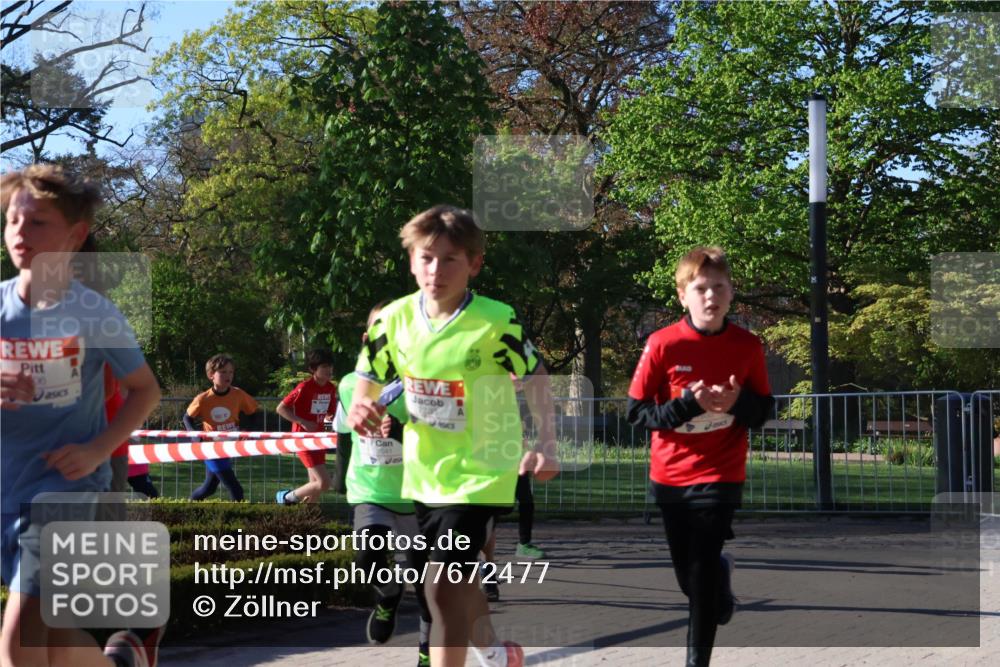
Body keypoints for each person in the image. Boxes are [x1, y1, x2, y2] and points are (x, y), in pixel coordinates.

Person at [347, 205, 559, 667]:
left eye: (449, 260)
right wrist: (363, 404)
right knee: (456, 584)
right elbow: (369, 374)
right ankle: (497, 653)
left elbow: (536, 375)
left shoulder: (496, 320)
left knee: (441, 587)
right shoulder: (393, 320)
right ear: (411, 261)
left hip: (483, 474)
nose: (435, 270)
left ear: (474, 264)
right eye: (426, 258)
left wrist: (546, 444)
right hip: (427, 475)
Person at [0, 164, 164, 667]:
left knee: (17, 644)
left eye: (37, 222)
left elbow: (145, 390)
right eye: (13, 220)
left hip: (65, 490)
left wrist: (97, 450)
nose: (20, 233)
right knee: (53, 641)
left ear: (75, 235)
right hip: (6, 487)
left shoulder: (94, 313)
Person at [626, 246, 774, 667]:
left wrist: (736, 403)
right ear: (682, 296)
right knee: (690, 578)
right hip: (672, 476)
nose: (711, 296)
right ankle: (719, 585)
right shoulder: (662, 344)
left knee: (701, 572)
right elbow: (637, 413)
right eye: (701, 288)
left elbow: (764, 410)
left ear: (731, 293)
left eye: (720, 288)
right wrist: (688, 406)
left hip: (721, 474)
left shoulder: (747, 346)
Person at [334, 303, 433, 666]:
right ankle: (389, 593)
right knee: (367, 558)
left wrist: (403, 431)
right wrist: (338, 475)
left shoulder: (424, 385)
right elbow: (342, 431)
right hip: (370, 490)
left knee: (425, 583)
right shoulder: (349, 385)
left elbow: (443, 440)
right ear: (367, 339)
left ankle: (426, 651)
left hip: (416, 495)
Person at [185, 353, 257, 501]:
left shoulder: (238, 394)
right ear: (211, 375)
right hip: (210, 448)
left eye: (231, 372)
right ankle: (238, 516)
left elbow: (253, 413)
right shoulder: (203, 399)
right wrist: (195, 435)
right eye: (223, 372)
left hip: (229, 447)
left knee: (209, 487)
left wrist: (247, 430)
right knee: (235, 489)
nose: (228, 376)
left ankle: (189, 505)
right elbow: (187, 418)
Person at [275, 348, 337, 505]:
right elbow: (281, 408)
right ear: (313, 369)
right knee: (324, 483)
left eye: (330, 366)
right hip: (303, 440)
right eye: (324, 367)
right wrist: (302, 422)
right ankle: (286, 497)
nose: (329, 370)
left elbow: (330, 414)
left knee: (315, 486)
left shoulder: (331, 388)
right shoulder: (304, 387)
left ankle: (307, 516)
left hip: (319, 441)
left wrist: (328, 430)